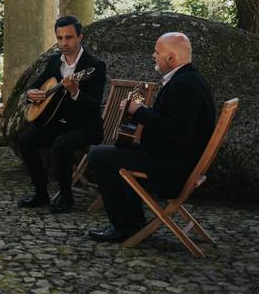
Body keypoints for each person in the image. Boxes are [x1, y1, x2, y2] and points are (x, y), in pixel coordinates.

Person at [87, 32, 216, 242]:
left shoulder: (185, 85)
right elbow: (174, 124)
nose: (153, 55)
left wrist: (139, 112)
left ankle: (123, 225)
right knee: (120, 150)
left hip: (173, 170)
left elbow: (178, 132)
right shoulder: (189, 79)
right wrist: (142, 112)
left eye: (157, 52)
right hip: (174, 159)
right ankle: (134, 222)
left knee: (99, 155)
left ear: (170, 58)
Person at [17, 15, 107, 213]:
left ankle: (66, 197)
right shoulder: (53, 62)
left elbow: (93, 105)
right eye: (60, 38)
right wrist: (31, 94)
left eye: (69, 38)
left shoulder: (94, 66)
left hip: (86, 126)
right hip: (57, 122)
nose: (64, 43)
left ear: (80, 37)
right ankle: (41, 193)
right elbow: (35, 85)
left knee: (61, 143)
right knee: (25, 138)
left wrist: (75, 91)